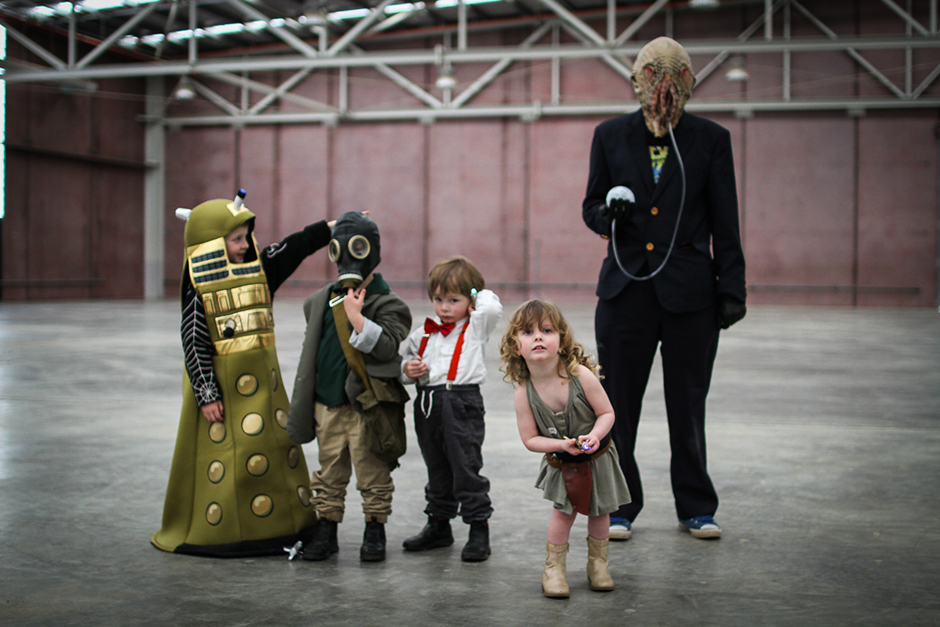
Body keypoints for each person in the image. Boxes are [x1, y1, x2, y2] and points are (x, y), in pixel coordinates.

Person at [581, 36, 747, 541]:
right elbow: (589, 208)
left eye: (674, 76)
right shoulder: (610, 135)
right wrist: (610, 215)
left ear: (689, 83)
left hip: (690, 296)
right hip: (625, 293)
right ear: (637, 80)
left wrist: (731, 288)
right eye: (653, 75)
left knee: (688, 404)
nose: (663, 85)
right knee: (617, 406)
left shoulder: (710, 139)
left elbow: (726, 219)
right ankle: (623, 506)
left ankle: (696, 505)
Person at [151, 190, 326, 557]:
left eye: (246, 236)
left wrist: (326, 230)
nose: (245, 244)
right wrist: (206, 391)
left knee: (274, 450)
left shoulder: (259, 271)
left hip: (266, 389)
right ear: (213, 242)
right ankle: (226, 527)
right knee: (228, 457)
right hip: (224, 392)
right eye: (235, 238)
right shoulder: (199, 288)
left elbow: (289, 249)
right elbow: (194, 340)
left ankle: (279, 524)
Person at [287, 211, 412, 563]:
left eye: (356, 246)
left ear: (371, 249)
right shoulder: (320, 301)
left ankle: (375, 529)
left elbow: (387, 346)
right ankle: (327, 530)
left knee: (373, 473)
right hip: (327, 406)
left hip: (366, 408)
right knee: (329, 472)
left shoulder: (389, 304)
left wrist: (357, 317)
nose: (347, 256)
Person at [499, 299, 630, 598]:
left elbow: (607, 413)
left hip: (597, 457)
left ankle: (598, 565)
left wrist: (596, 436)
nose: (538, 337)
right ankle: (553, 569)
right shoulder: (523, 393)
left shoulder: (580, 375)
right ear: (515, 345)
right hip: (563, 462)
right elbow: (530, 439)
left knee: (600, 512)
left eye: (547, 330)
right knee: (563, 514)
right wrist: (561, 445)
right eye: (528, 332)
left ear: (562, 340)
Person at [398, 256, 502, 562]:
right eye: (438, 299)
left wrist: (474, 295)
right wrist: (410, 369)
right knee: (437, 467)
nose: (444, 307)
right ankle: (439, 525)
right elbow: (401, 369)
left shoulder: (475, 327)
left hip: (462, 402)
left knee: (465, 466)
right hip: (428, 404)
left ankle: (478, 529)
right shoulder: (423, 334)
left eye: (452, 300)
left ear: (469, 300)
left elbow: (492, 307)